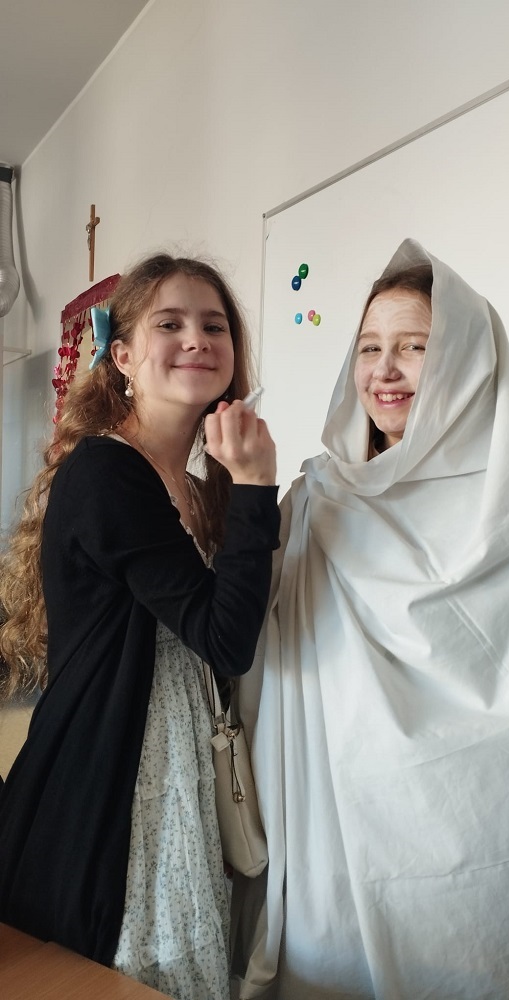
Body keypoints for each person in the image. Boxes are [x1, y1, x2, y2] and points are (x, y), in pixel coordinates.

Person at [233, 239, 509, 1000]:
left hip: (475, 866)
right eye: (369, 348)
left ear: (464, 366)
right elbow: (248, 646)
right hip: (326, 842)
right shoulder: (313, 501)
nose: (384, 370)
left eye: (414, 347)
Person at [0, 252, 279, 1000]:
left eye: (214, 326)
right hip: (111, 781)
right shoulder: (107, 471)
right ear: (122, 357)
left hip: (178, 764)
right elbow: (224, 637)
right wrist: (257, 486)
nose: (196, 339)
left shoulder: (194, 484)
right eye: (170, 323)